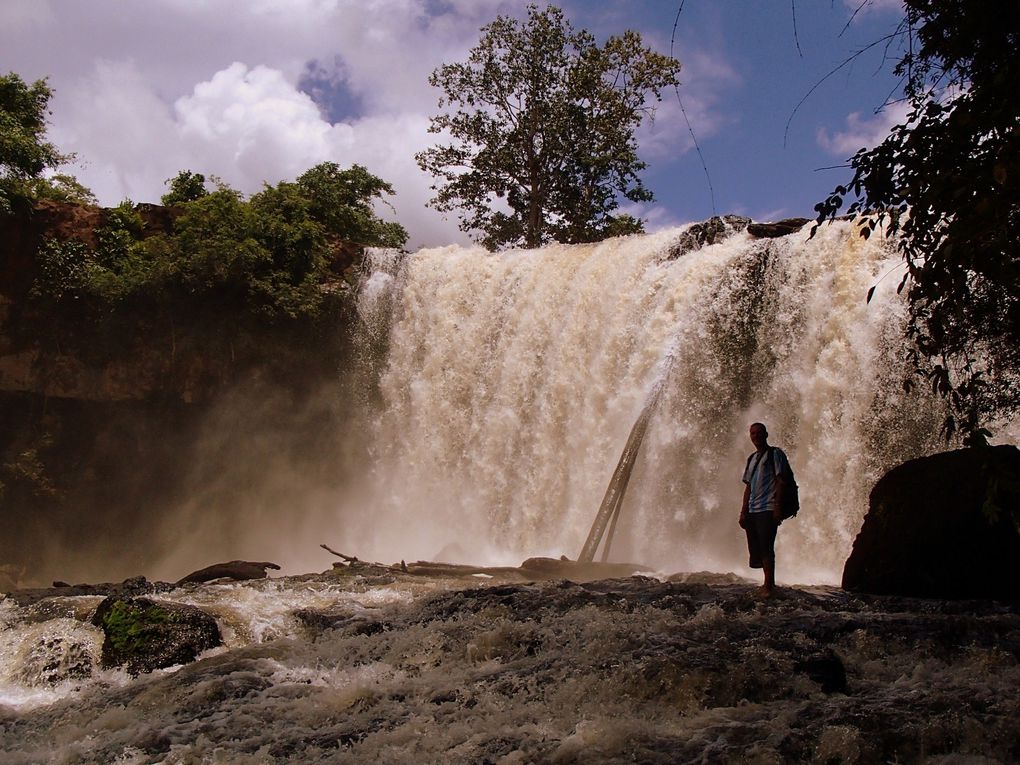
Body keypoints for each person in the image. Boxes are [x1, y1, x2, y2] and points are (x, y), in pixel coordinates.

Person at [739, 422, 790, 598]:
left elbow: (781, 481)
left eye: (759, 433)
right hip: (753, 509)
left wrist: (777, 507)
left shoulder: (775, 454)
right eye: (752, 433)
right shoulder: (752, 458)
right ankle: (766, 583)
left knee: (767, 546)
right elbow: (748, 486)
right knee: (757, 548)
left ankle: (769, 586)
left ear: (766, 434)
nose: (755, 436)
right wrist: (743, 511)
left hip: (768, 507)